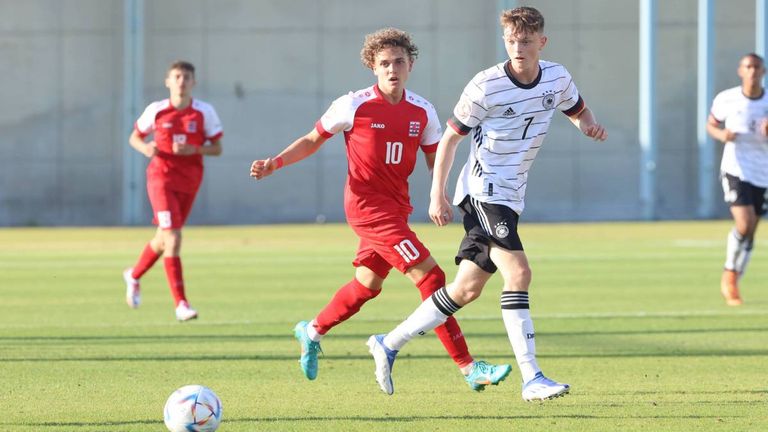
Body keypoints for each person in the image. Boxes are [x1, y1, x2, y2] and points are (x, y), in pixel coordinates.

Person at [249, 28, 511, 392]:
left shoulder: (422, 110)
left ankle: (312, 331)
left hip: (397, 208)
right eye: (384, 63)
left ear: (410, 65)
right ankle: (469, 368)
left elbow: (436, 160)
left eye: (399, 62)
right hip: (367, 208)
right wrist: (275, 163)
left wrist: (441, 194)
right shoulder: (353, 104)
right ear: (372, 66)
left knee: (367, 285)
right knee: (432, 279)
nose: (392, 69)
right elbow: (312, 140)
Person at [366, 7, 607, 401]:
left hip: (512, 195)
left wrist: (589, 126)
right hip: (484, 190)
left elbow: (578, 111)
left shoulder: (557, 77)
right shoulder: (486, 85)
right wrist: (437, 193)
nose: (518, 48)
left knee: (466, 289)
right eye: (511, 41)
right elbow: (449, 139)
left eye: (525, 41)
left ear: (541, 42)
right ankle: (532, 377)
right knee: (519, 273)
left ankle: (389, 342)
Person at [123, 60, 223, 321]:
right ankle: (181, 304)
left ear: (193, 82)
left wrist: (195, 149)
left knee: (163, 239)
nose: (181, 81)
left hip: (190, 181)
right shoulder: (156, 110)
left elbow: (217, 148)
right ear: (168, 81)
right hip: (161, 179)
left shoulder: (204, 112)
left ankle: (133, 275)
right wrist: (146, 148)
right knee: (174, 238)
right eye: (177, 77)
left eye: (186, 77)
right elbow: (134, 137)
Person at [707, 53, 768, 306]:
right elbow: (711, 125)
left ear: (763, 72)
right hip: (736, 168)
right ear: (740, 71)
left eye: (757, 67)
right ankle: (729, 273)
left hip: (763, 172)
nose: (752, 71)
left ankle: (736, 278)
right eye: (748, 67)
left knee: (751, 229)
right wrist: (722, 135)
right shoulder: (727, 99)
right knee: (745, 222)